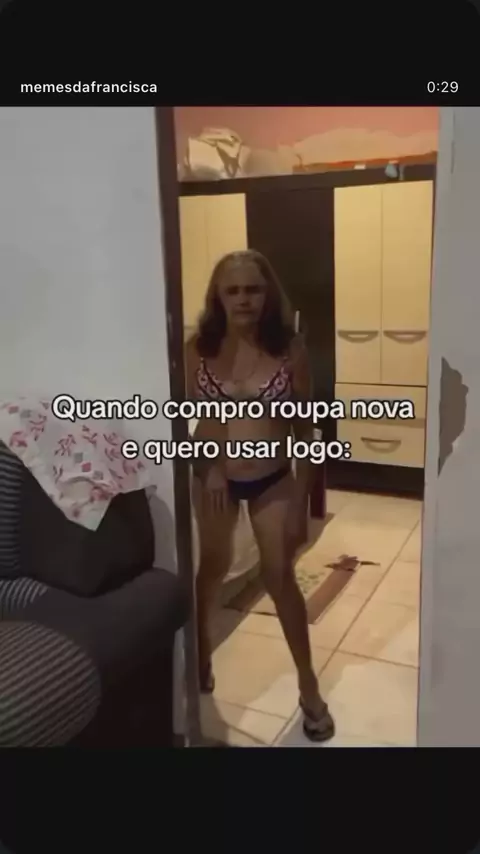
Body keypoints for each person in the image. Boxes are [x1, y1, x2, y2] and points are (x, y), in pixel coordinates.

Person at [185, 249, 335, 742]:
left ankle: (309, 687)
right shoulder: (198, 349)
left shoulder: (289, 349)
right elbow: (190, 422)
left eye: (253, 289)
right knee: (212, 567)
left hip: (273, 478)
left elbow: (306, 430)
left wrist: (300, 502)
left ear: (268, 293)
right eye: (233, 290)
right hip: (215, 478)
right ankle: (200, 655)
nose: (243, 299)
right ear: (218, 296)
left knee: (280, 576)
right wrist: (208, 468)